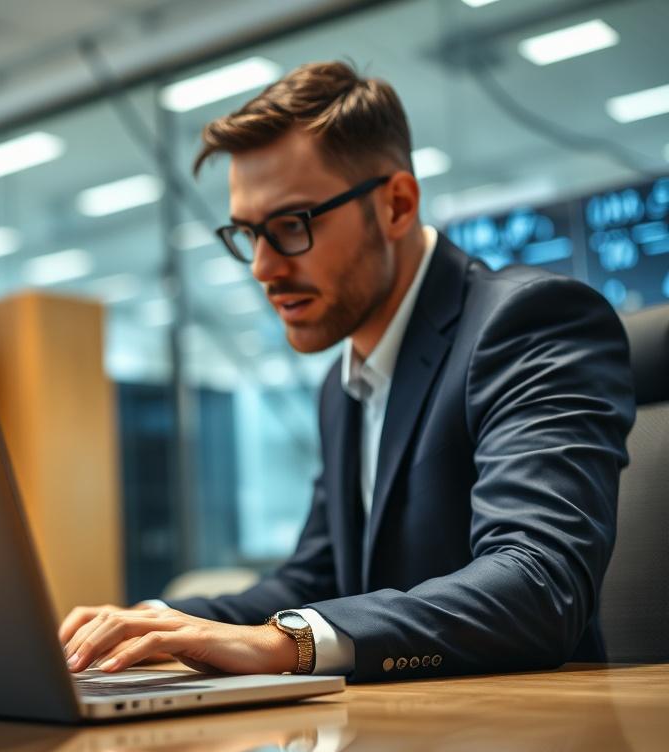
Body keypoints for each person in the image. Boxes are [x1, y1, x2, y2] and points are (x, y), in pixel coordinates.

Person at [59, 61, 636, 682]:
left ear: (397, 205)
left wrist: (287, 643)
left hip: (532, 722)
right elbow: (312, 580)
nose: (262, 268)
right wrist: (153, 623)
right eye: (249, 234)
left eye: (291, 226)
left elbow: (539, 583)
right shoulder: (344, 385)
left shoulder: (529, 321)